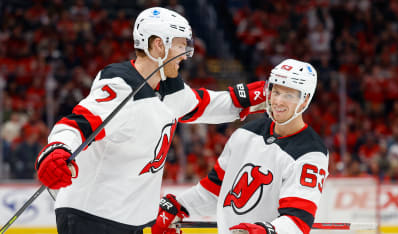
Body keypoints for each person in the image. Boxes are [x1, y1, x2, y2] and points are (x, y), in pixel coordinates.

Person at [34, 7, 266, 234]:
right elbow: (76, 124)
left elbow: (210, 105)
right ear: (159, 45)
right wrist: (57, 149)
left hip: (126, 219)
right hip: (91, 217)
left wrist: (265, 93)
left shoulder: (169, 90)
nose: (186, 53)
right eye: (180, 44)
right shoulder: (120, 86)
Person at [153, 59, 329, 234]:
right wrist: (180, 205)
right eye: (276, 92)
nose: (278, 101)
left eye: (289, 95)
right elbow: (215, 190)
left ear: (305, 100)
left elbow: (297, 222)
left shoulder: (311, 153)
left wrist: (266, 231)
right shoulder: (246, 133)